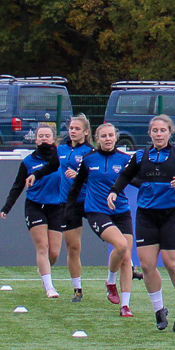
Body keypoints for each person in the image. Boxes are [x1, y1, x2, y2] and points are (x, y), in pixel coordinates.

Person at [111, 115, 175, 331]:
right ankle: (159, 309)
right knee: (146, 265)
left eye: (163, 130)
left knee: (172, 264)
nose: (159, 134)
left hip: (172, 215)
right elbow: (125, 175)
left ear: (170, 132)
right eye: (155, 130)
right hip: (146, 215)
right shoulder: (140, 155)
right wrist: (114, 191)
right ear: (149, 133)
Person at [67, 122, 136, 317]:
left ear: (116, 137)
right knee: (121, 245)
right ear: (97, 139)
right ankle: (111, 281)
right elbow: (76, 186)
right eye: (103, 136)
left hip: (121, 211)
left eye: (110, 135)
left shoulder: (125, 159)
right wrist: (69, 210)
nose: (107, 139)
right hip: (97, 211)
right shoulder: (89, 159)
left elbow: (136, 180)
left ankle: (125, 305)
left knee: (126, 256)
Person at [0, 123, 71, 299]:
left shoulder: (62, 158)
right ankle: (50, 288)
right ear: (36, 139)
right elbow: (17, 186)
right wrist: (7, 207)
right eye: (41, 136)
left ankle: (44, 270)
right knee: (42, 247)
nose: (44, 139)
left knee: (54, 253)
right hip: (35, 206)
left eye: (47, 136)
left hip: (56, 207)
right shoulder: (28, 161)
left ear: (53, 139)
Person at [46, 113, 94, 300]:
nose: (73, 131)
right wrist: (34, 175)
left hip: (89, 201)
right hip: (68, 203)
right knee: (73, 247)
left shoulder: (91, 152)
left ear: (86, 132)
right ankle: (77, 289)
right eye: (71, 128)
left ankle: (128, 267)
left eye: (77, 129)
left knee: (113, 238)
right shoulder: (61, 150)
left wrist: (80, 176)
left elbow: (97, 178)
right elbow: (50, 166)